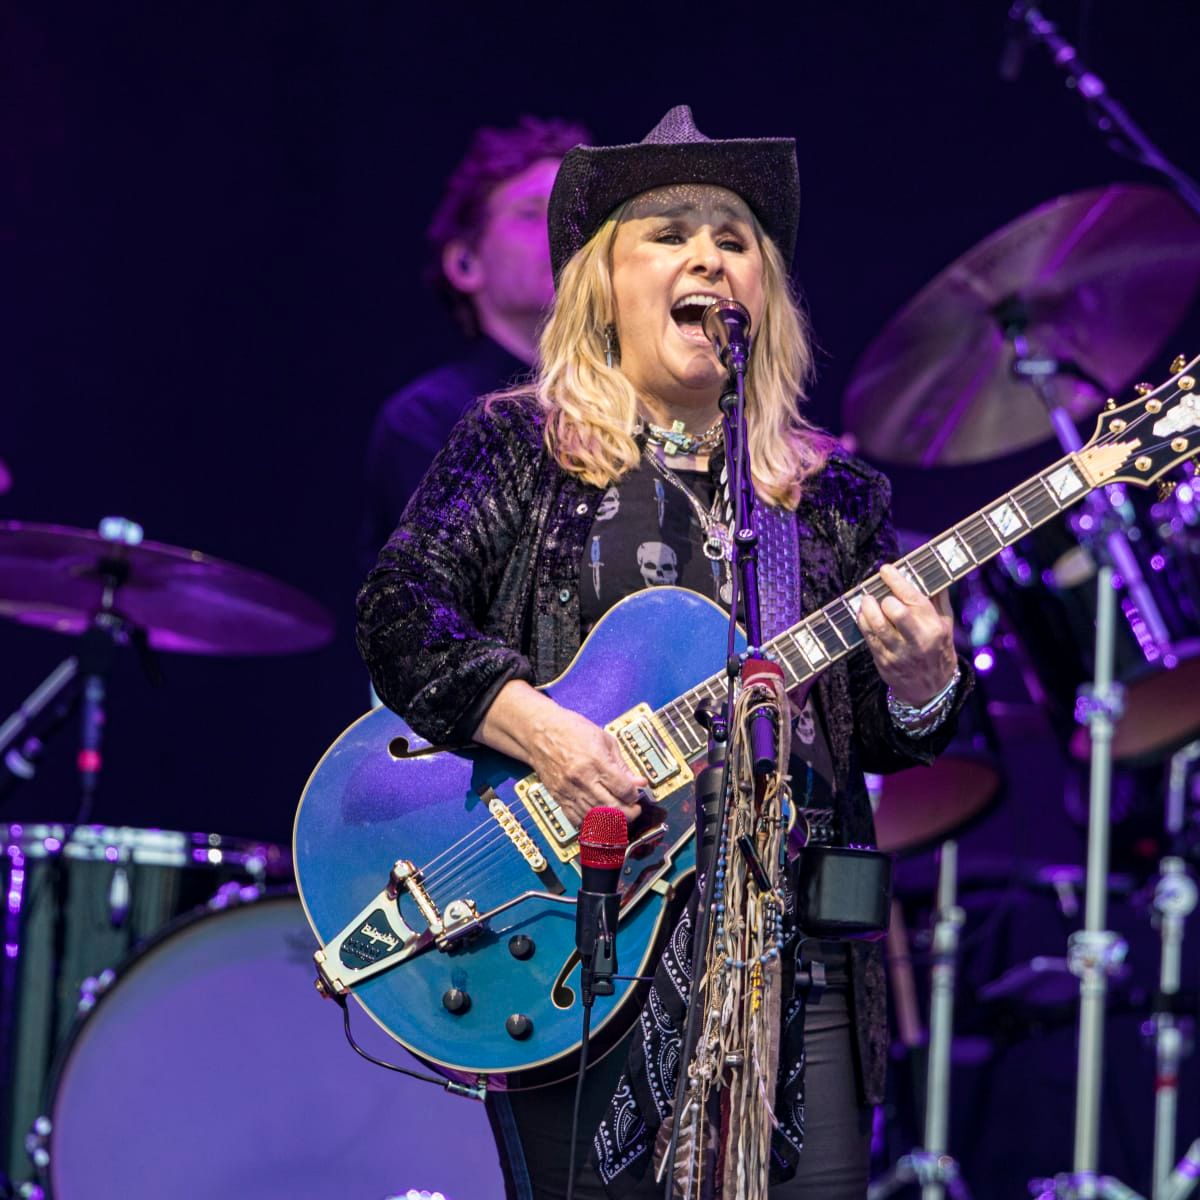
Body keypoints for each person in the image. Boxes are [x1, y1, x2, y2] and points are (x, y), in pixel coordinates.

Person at [356, 106, 971, 1200]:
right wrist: (543, 731)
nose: (709, 257)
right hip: (579, 934)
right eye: (669, 232)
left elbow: (880, 732)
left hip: (795, 958)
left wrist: (923, 687)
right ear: (602, 284)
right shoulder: (519, 448)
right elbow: (400, 613)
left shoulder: (829, 500)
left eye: (735, 240)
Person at [358, 114, 590, 573]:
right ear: (465, 262)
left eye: (576, 214)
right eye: (531, 213)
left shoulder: (638, 400)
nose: (564, 232)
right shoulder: (427, 420)